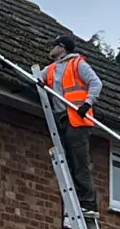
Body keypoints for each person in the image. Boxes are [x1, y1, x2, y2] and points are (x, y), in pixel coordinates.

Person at [34, 34, 102, 216]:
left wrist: (87, 104)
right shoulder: (51, 69)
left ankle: (89, 202)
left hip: (78, 119)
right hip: (62, 118)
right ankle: (77, 202)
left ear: (62, 48)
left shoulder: (78, 64)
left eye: (54, 45)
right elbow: (37, 79)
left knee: (79, 162)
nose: (51, 48)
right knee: (69, 162)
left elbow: (96, 83)